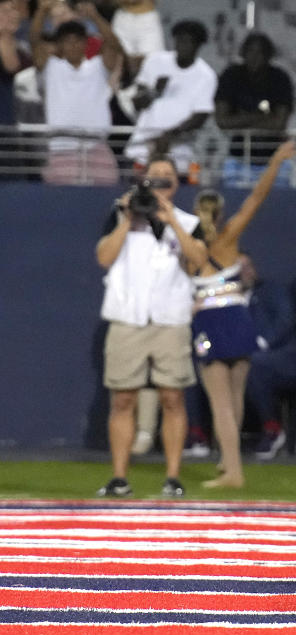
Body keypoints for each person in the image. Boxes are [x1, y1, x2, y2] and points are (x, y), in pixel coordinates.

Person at [95, 155, 208, 498]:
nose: (160, 183)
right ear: (143, 181)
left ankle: (173, 477)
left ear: (176, 184)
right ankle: (119, 477)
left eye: (166, 177)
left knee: (172, 397)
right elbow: (103, 258)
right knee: (123, 398)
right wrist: (128, 219)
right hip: (128, 317)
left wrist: (170, 219)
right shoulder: (121, 215)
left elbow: (199, 260)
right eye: (154, 177)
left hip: (169, 319)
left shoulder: (188, 222)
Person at [189, 141, 296, 488]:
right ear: (220, 214)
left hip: (210, 321)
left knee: (219, 401)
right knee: (234, 396)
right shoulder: (230, 237)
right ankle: (228, 460)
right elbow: (257, 198)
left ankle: (233, 471)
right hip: (238, 319)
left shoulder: (189, 248)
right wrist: (277, 161)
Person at [30, 0, 123, 185]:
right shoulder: (51, 67)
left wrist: (95, 17)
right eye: (67, 41)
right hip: (62, 147)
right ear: (59, 45)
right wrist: (42, 10)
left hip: (97, 146)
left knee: (106, 196)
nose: (73, 45)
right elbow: (34, 40)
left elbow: (114, 45)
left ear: (85, 43)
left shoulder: (97, 67)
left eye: (77, 40)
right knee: (61, 201)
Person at [124, 20, 216, 178]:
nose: (183, 46)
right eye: (180, 40)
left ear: (198, 45)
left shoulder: (206, 75)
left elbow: (200, 117)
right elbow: (137, 104)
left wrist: (170, 135)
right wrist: (154, 92)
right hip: (143, 147)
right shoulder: (155, 61)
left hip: (179, 150)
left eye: (189, 42)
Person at [242, 253, 296, 461]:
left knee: (254, 364)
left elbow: (286, 320)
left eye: (249, 266)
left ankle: (272, 429)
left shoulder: (272, 291)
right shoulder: (227, 299)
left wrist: (261, 343)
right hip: (243, 360)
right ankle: (197, 434)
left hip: (285, 359)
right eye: (240, 268)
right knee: (203, 367)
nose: (247, 272)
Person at [214, 32, 294, 188]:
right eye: (250, 51)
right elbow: (222, 121)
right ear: (243, 53)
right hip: (238, 159)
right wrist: (261, 116)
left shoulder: (280, 78)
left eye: (261, 52)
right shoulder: (231, 75)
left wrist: (242, 118)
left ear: (269, 55)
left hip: (273, 160)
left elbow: (279, 124)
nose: (255, 56)